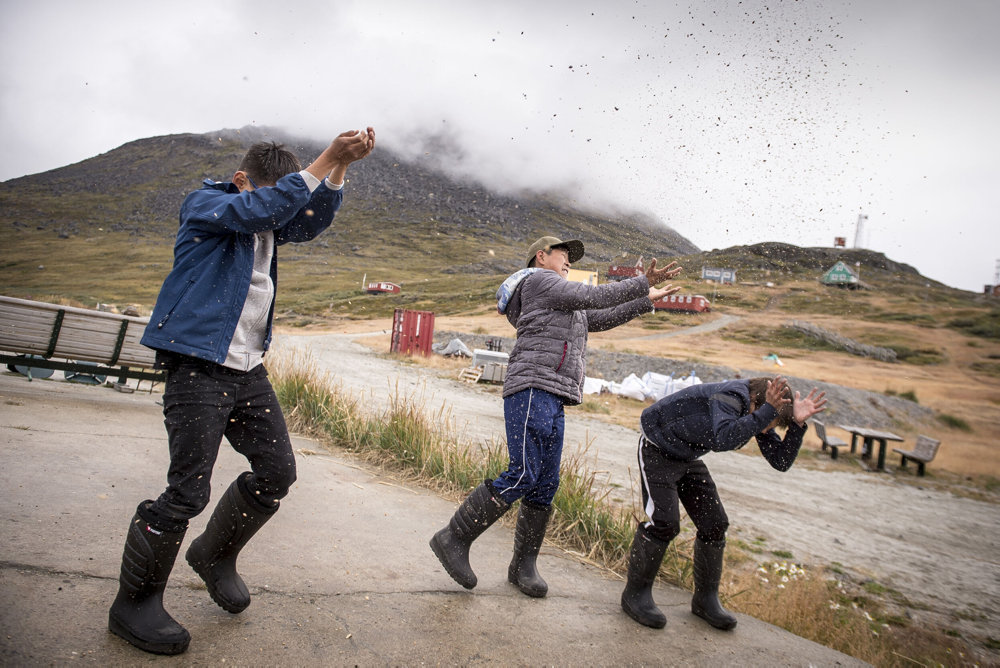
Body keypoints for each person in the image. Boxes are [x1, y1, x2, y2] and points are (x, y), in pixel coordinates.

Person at [108, 129, 375, 655]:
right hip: (198, 365)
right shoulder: (209, 203)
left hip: (247, 369)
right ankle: (133, 604)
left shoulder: (268, 218)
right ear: (241, 181)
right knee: (187, 491)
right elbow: (264, 209)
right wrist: (327, 157)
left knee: (278, 472)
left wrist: (341, 170)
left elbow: (309, 220)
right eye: (268, 193)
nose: (276, 206)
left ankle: (214, 555)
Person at [430, 236, 682, 598]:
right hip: (532, 387)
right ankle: (453, 538)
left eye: (570, 257)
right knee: (522, 474)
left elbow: (599, 316)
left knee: (545, 484)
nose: (568, 260)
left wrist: (644, 302)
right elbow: (595, 297)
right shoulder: (539, 281)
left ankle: (522, 566)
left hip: (553, 394)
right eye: (563, 253)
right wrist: (643, 282)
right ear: (541, 256)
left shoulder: (561, 299)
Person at [620, 375, 827, 630]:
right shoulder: (731, 396)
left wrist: (796, 424)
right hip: (658, 447)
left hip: (687, 454)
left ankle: (705, 601)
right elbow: (724, 438)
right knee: (664, 522)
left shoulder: (757, 413)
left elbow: (780, 461)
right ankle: (635, 595)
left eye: (770, 424)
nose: (765, 429)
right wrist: (765, 415)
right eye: (768, 421)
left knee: (715, 524)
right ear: (756, 403)